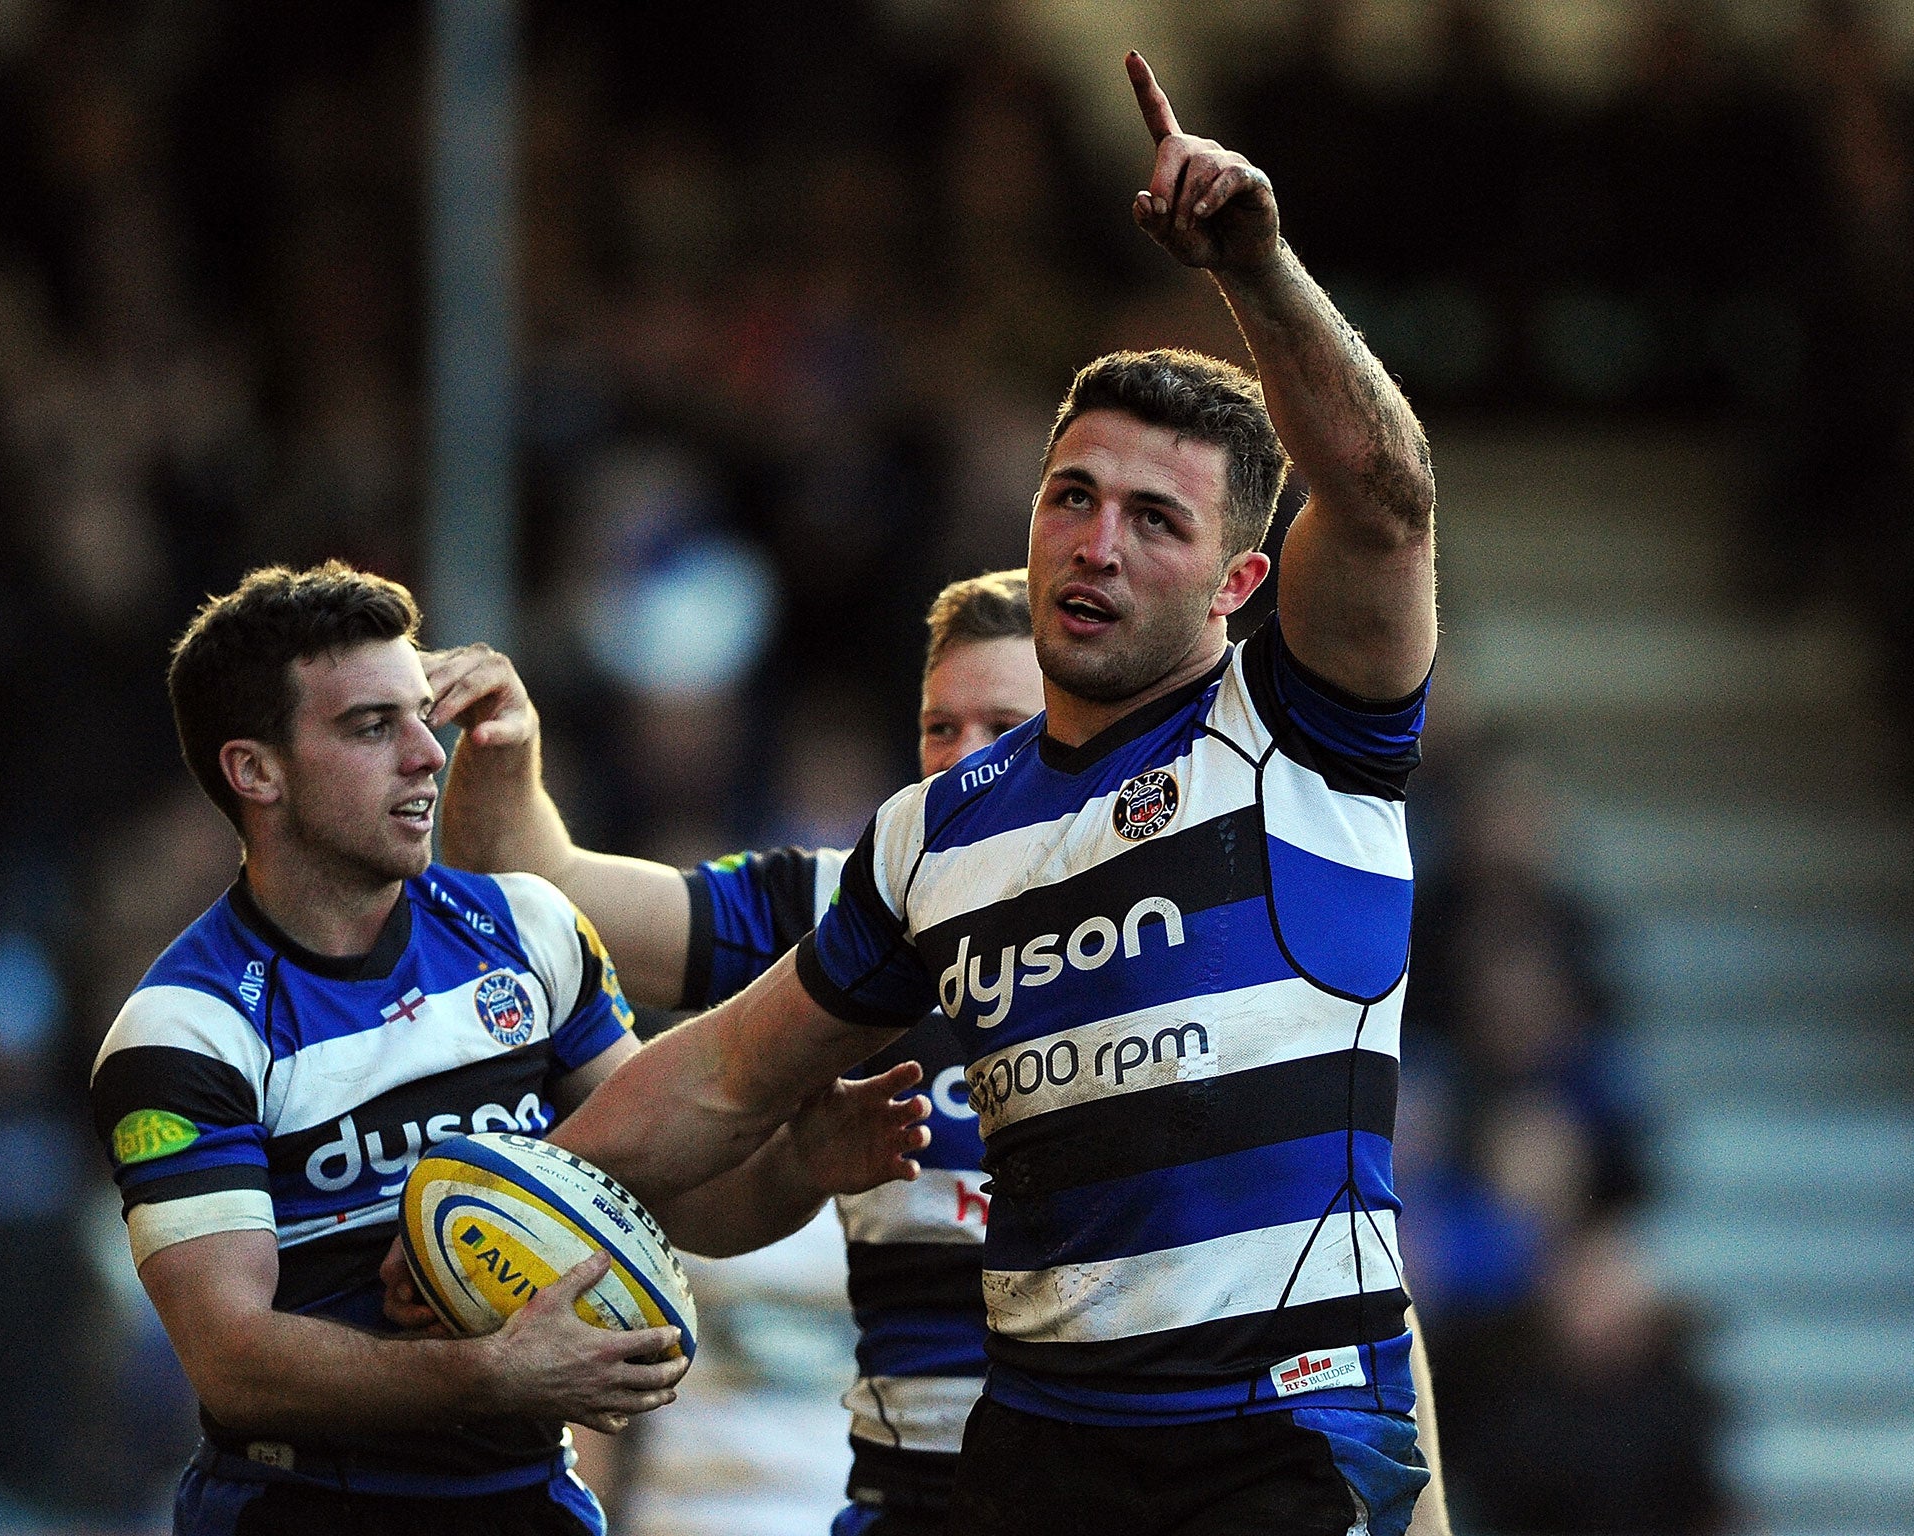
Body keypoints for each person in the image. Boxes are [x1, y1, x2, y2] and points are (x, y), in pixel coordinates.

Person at [540, 54, 1450, 1536]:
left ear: (1241, 584)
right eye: (1071, 496)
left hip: (1274, 1445)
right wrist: (495, 1188)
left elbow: (1390, 494)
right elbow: (719, 1079)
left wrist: (1260, 271)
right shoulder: (935, 833)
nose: (1095, 543)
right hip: (1034, 1456)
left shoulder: (1308, 731)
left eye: (1155, 518)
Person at [88, 562, 929, 1536]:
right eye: (371, 727)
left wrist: (798, 1170)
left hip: (526, 1498)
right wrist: (490, 1375)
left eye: (421, 718)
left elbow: (674, 1196)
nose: (425, 756)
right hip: (304, 1510)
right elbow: (234, 1364)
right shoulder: (185, 1030)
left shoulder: (527, 928)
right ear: (255, 771)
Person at [419, 569, 1045, 1535]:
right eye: (939, 729)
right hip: (903, 1506)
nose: (963, 766)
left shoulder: (1185, 925)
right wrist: (506, 748)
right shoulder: (849, 905)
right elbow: (536, 889)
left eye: (1004, 731)